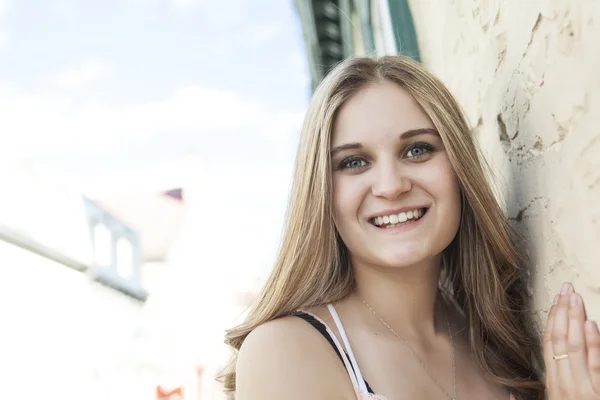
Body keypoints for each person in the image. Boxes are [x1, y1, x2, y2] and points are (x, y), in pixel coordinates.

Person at [219, 56, 600, 400]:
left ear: (458, 168)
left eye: (417, 150)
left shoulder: (491, 337)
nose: (391, 185)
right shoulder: (286, 350)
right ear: (321, 193)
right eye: (353, 162)